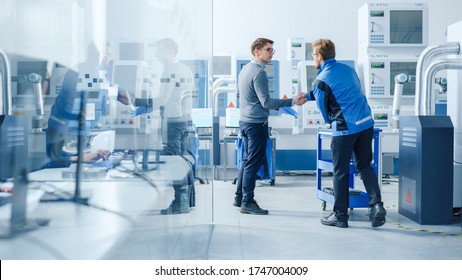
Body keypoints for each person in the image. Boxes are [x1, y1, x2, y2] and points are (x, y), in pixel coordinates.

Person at [305, 39, 386, 228]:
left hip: (345, 129)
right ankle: (377, 206)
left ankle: (340, 216)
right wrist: (308, 95)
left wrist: (317, 100)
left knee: (340, 172)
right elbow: (344, 90)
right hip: (366, 123)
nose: (313, 59)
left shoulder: (320, 80)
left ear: (319, 56)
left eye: (313, 56)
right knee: (364, 165)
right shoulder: (349, 70)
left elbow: (326, 114)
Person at [234, 38, 307, 215]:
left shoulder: (245, 69)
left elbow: (242, 96)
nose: (271, 53)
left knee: (246, 160)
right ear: (257, 52)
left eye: (273, 50)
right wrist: (292, 101)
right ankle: (247, 202)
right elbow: (265, 102)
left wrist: (272, 104)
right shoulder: (259, 73)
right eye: (268, 49)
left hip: (244, 122)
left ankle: (238, 197)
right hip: (256, 124)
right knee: (253, 162)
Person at [45, 42, 110, 168]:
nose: (108, 58)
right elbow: (55, 158)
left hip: (69, 128)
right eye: (107, 54)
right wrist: (83, 157)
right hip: (63, 127)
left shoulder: (93, 70)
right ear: (97, 55)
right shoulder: (85, 70)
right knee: (57, 160)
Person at [153, 38, 196, 215]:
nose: (156, 54)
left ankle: (180, 203)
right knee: (183, 161)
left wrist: (136, 102)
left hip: (173, 122)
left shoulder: (169, 70)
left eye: (159, 50)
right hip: (185, 121)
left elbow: (161, 100)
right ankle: (188, 200)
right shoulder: (185, 69)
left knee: (174, 163)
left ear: (170, 51)